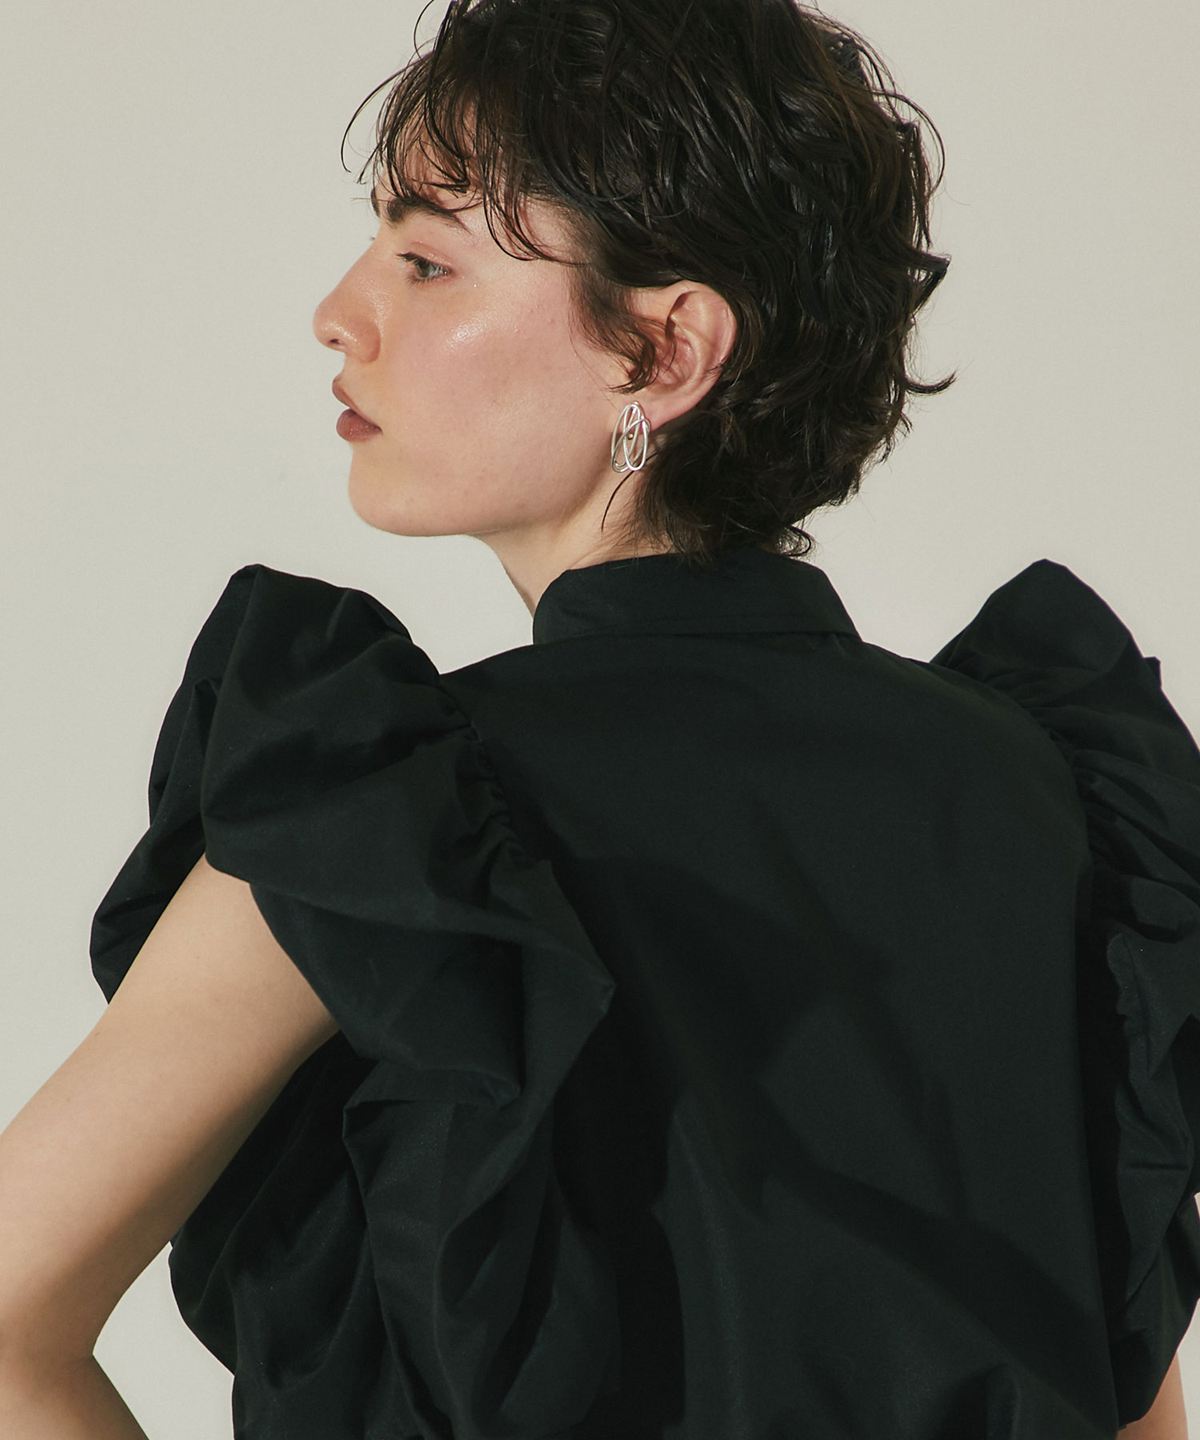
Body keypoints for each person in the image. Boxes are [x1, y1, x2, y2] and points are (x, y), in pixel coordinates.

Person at [0, 0, 1195, 1436]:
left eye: (428, 260)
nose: (340, 312)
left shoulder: (384, 824)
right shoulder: (1061, 797)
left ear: (665, 352)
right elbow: (1135, 1402)